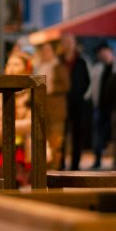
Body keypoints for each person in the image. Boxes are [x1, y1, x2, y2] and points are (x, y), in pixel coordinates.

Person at [0, 52, 34, 186]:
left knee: (22, 183)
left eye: (16, 64)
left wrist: (9, 126)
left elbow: (33, 121)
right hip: (0, 144)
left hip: (25, 147)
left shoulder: (32, 92)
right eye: (9, 64)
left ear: (26, 68)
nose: (11, 68)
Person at [34, 41, 70, 170]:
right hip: (43, 108)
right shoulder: (40, 66)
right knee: (44, 141)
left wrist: (50, 88)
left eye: (48, 50)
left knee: (56, 141)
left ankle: (56, 169)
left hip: (55, 110)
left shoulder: (58, 66)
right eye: (43, 50)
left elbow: (65, 85)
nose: (45, 53)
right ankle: (46, 168)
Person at [60, 33, 92, 170]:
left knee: (77, 135)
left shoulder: (82, 62)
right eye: (65, 42)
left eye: (70, 42)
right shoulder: (59, 61)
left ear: (74, 43)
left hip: (78, 103)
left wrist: (83, 97)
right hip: (61, 103)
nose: (68, 45)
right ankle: (59, 164)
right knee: (60, 135)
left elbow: (88, 81)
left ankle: (75, 165)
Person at [90, 43, 115, 169]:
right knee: (98, 134)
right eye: (100, 54)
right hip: (99, 106)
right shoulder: (97, 68)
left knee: (114, 134)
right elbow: (93, 87)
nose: (102, 55)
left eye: (104, 52)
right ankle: (97, 159)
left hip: (114, 108)